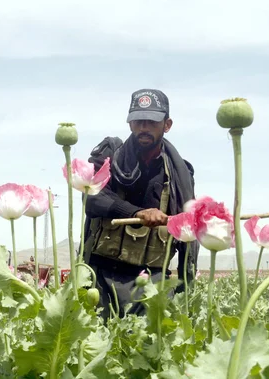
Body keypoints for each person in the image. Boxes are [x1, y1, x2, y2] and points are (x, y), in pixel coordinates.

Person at [81, 88, 199, 320]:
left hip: (152, 280)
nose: (144, 127)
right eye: (138, 121)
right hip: (103, 274)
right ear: (130, 123)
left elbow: (187, 227)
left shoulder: (179, 173)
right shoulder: (108, 157)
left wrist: (186, 281)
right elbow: (93, 199)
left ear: (167, 125)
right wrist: (137, 212)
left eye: (152, 122)